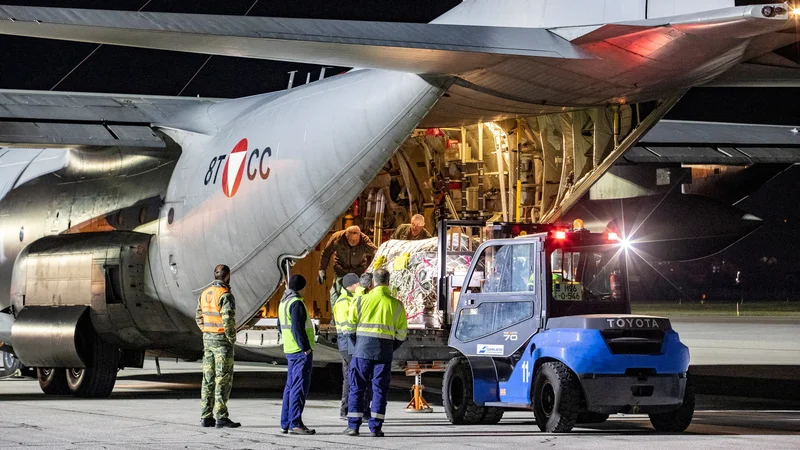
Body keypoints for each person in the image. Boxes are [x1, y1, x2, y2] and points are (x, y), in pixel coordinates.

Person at [343, 268, 408, 437]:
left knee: (357, 388)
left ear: (373, 282)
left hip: (362, 351)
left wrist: (358, 345)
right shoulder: (397, 305)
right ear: (388, 282)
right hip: (384, 353)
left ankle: (353, 426)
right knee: (379, 389)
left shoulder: (360, 301)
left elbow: (349, 328)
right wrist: (389, 347)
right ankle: (376, 427)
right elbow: (401, 334)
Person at [196, 264, 240, 428]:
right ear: (227, 276)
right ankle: (221, 416)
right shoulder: (225, 295)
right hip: (222, 342)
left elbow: (198, 317)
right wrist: (231, 338)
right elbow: (228, 320)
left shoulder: (204, 293)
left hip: (207, 340)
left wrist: (207, 332)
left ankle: (206, 416)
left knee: (207, 379)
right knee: (223, 379)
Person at [278, 275, 316, 435]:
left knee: (290, 386)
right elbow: (297, 328)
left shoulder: (283, 302)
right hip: (300, 352)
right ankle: (295, 423)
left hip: (290, 349)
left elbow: (280, 326)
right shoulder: (296, 303)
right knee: (299, 387)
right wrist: (305, 347)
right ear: (302, 288)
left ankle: (285, 422)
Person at [332, 273, 370, 421]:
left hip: (351, 344)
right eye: (358, 284)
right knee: (352, 377)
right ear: (352, 286)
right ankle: (349, 409)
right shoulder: (343, 302)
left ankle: (352, 409)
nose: (360, 286)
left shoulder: (349, 299)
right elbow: (349, 325)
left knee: (352, 377)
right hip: (348, 344)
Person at [318, 226, 377, 304]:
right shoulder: (337, 238)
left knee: (359, 296)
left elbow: (375, 251)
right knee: (336, 294)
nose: (354, 242)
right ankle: (335, 313)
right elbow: (326, 253)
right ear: (346, 235)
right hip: (341, 270)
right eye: (352, 240)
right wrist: (322, 270)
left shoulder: (364, 239)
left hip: (358, 271)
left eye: (356, 240)